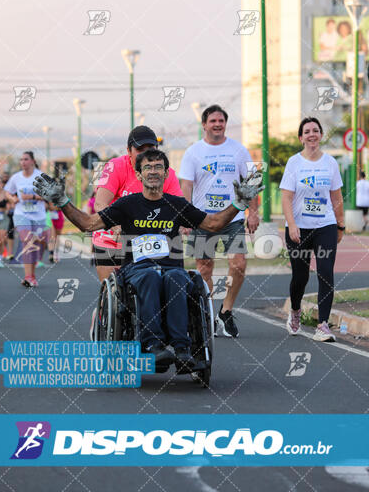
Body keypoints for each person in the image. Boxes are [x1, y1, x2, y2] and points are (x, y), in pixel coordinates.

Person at [34, 149, 263, 370]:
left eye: (158, 167)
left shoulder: (177, 204)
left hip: (171, 268)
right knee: (150, 276)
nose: (153, 171)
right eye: (148, 167)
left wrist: (240, 204)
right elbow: (88, 223)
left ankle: (182, 349)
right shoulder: (127, 205)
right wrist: (62, 200)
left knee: (175, 277)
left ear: (165, 173)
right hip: (137, 270)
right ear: (138, 174)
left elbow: (213, 224)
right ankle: (152, 345)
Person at [179, 104, 259, 338]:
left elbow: (252, 181)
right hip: (202, 219)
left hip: (232, 217)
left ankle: (226, 310)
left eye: (221, 121)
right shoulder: (193, 152)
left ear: (225, 124)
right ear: (204, 125)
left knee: (239, 264)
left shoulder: (239, 150)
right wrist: (185, 218)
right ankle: (208, 314)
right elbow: (186, 186)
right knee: (204, 268)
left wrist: (252, 213)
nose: (217, 124)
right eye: (212, 121)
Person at [280, 117, 344, 342]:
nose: (311, 134)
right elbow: (286, 197)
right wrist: (292, 225)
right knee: (301, 276)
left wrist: (340, 224)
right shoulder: (294, 163)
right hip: (299, 228)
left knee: (326, 273)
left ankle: (323, 325)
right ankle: (295, 311)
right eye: (307, 131)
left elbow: (336, 196)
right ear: (301, 137)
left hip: (324, 226)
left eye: (315, 130)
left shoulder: (330, 163)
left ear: (320, 135)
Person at [92, 125, 183, 283]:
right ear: (129, 151)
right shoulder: (116, 166)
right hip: (113, 239)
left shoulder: (168, 173)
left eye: (151, 148)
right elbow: (100, 204)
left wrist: (182, 225)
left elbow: (179, 209)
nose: (146, 153)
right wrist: (115, 226)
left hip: (148, 240)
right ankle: (103, 307)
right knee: (115, 293)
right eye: (140, 149)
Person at [4, 151, 48, 287]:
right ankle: (28, 277)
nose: (23, 162)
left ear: (33, 161)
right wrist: (13, 198)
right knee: (27, 240)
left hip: (39, 215)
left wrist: (33, 197)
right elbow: (8, 192)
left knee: (37, 244)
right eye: (21, 159)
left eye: (26, 159)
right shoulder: (16, 178)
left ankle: (32, 275)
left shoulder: (41, 176)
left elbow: (50, 195)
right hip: (21, 214)